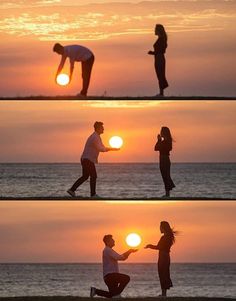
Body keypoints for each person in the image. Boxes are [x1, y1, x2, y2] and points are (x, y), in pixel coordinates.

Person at [67, 122, 119, 199]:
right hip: (87, 159)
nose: (103, 129)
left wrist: (112, 149)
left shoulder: (97, 136)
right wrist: (112, 149)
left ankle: (72, 190)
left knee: (85, 176)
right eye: (102, 127)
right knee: (93, 176)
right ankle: (93, 195)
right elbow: (100, 148)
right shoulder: (95, 137)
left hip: (85, 159)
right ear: (98, 128)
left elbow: (102, 147)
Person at [145, 221, 177, 297]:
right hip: (166, 256)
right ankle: (164, 293)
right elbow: (160, 247)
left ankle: (164, 294)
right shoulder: (169, 237)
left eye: (160, 227)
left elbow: (159, 247)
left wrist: (150, 246)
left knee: (162, 274)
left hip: (163, 257)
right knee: (164, 274)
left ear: (163, 228)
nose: (159, 228)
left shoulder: (165, 237)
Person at [148, 24, 168, 97]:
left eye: (155, 29)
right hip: (158, 58)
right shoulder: (161, 39)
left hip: (159, 58)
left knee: (160, 75)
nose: (154, 31)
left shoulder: (161, 39)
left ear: (158, 30)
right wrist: (153, 53)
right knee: (160, 75)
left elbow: (162, 50)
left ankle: (161, 93)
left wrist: (152, 52)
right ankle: (161, 93)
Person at [154, 126, 175, 197]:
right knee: (165, 176)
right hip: (162, 159)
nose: (160, 132)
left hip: (165, 159)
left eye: (161, 131)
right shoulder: (163, 141)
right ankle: (168, 192)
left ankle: (167, 193)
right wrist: (159, 140)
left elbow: (168, 148)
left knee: (166, 176)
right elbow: (156, 148)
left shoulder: (168, 141)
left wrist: (160, 142)